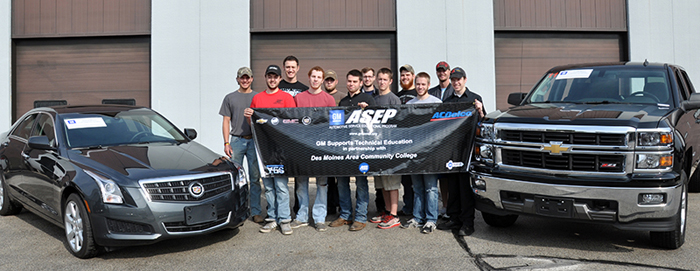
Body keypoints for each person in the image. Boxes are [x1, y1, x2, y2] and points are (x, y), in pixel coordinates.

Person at [244, 64, 297, 235]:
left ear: (280, 79)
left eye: (275, 76)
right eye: (269, 76)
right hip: (263, 150)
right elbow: (252, 126)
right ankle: (272, 218)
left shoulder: (287, 98)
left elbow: (293, 123)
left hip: (280, 150)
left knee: (281, 185)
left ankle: (285, 220)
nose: (272, 79)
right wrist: (248, 118)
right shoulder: (258, 98)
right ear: (265, 78)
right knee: (268, 186)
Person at [437, 67, 485, 236]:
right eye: (453, 80)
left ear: (465, 80)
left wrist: (479, 110)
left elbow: (483, 123)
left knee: (465, 189)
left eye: (459, 79)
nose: (456, 82)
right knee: (453, 187)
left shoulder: (474, 99)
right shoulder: (448, 101)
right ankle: (454, 219)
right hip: (452, 151)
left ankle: (467, 223)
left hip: (468, 151)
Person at [329, 69, 377, 231]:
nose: (351, 84)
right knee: (342, 183)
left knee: (361, 184)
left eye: (355, 81)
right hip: (344, 149)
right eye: (349, 81)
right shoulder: (342, 102)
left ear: (361, 83)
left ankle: (361, 217)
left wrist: (368, 111)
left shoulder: (368, 99)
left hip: (361, 149)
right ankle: (345, 215)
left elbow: (377, 126)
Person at [291, 66, 336, 232]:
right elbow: (293, 123)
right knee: (301, 183)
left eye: (319, 77)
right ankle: (301, 216)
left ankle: (319, 218)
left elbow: (333, 126)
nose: (316, 79)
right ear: (309, 78)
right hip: (303, 147)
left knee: (322, 184)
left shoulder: (328, 100)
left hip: (322, 149)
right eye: (313, 76)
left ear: (322, 80)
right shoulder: (299, 98)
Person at [219, 67, 264, 224]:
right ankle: (237, 211)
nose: (245, 80)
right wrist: (226, 143)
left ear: (252, 79)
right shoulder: (230, 98)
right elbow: (226, 120)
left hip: (254, 141)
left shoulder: (258, 97)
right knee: (235, 179)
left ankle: (256, 211)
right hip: (236, 141)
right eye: (242, 78)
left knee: (255, 178)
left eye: (248, 78)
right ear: (237, 79)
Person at [403, 72, 442, 233]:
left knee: (431, 188)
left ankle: (431, 219)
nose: (420, 87)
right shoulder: (409, 104)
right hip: (415, 154)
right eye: (418, 84)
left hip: (431, 154)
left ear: (428, 85)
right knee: (417, 187)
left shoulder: (437, 103)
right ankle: (418, 218)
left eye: (423, 84)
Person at [366, 68, 402, 229]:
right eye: (379, 79)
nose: (381, 82)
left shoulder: (394, 100)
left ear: (390, 81)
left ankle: (394, 215)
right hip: (376, 148)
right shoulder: (373, 99)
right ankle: (387, 211)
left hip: (391, 149)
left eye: (384, 79)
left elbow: (400, 125)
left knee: (392, 183)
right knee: (382, 183)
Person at [277, 55, 308, 216]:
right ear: (284, 68)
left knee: (299, 177)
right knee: (280, 178)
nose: (290, 70)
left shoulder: (303, 88)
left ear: (298, 68)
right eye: (287, 67)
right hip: (281, 137)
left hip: (298, 138)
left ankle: (298, 209)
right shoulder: (277, 86)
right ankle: (280, 211)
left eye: (293, 67)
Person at [427, 61, 455, 218]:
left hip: (450, 140)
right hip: (434, 140)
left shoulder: (454, 91)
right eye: (439, 71)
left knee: (449, 175)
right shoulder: (431, 93)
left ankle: (450, 205)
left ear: (449, 72)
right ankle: (442, 206)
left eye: (444, 70)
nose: (442, 73)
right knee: (438, 176)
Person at [395, 64, 417, 217]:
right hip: (401, 144)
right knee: (406, 180)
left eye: (407, 75)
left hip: (417, 143)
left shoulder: (419, 93)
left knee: (417, 180)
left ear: (413, 76)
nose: (405, 77)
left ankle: (418, 209)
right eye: (402, 75)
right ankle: (408, 207)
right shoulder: (397, 96)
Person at [322, 69, 342, 216]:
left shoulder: (342, 97)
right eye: (327, 80)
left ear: (336, 82)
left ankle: (342, 205)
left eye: (331, 80)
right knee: (328, 178)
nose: (329, 82)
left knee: (340, 177)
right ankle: (330, 206)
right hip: (324, 141)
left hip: (339, 141)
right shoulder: (321, 96)